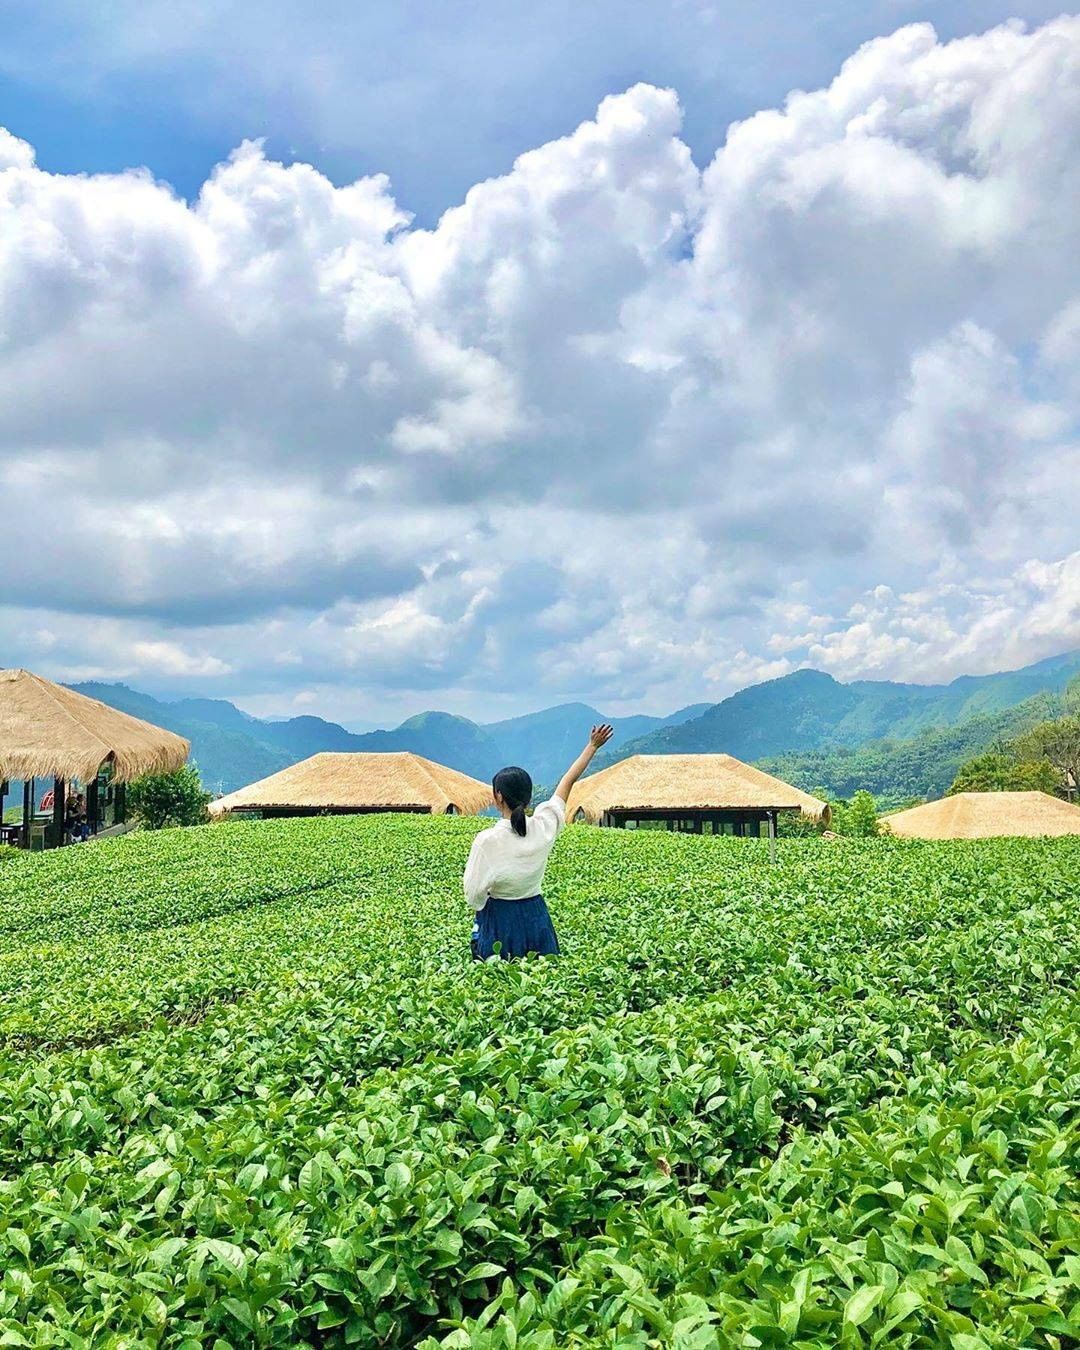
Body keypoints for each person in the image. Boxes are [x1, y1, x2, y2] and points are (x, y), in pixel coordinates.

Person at [464, 724, 614, 960]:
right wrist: (592, 746)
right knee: (543, 981)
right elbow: (567, 782)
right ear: (528, 797)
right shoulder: (544, 825)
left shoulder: (487, 841)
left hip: (501, 920)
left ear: (498, 797)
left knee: (501, 986)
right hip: (536, 916)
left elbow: (474, 896)